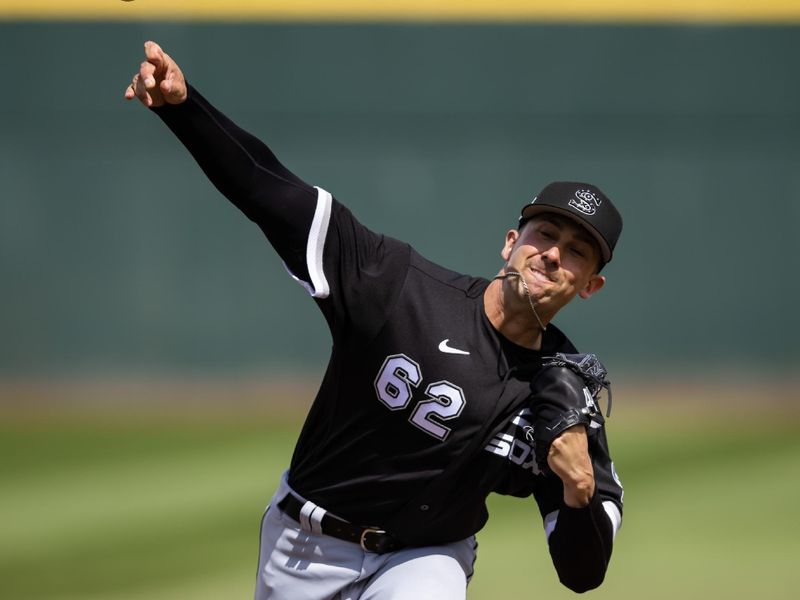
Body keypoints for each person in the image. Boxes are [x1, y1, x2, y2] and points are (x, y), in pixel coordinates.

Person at [125, 41, 624, 600]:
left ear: (590, 286)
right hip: (303, 543)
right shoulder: (398, 285)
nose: (554, 254)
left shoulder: (563, 399)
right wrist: (184, 107)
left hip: (425, 558)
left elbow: (582, 573)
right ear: (511, 242)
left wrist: (578, 489)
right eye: (545, 234)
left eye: (579, 252)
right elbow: (273, 193)